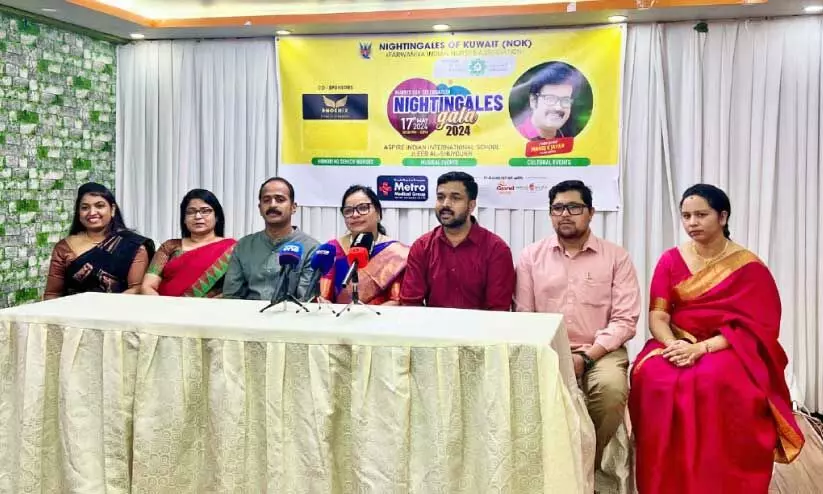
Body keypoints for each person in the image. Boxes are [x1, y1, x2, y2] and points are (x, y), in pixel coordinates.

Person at [629, 184, 804, 493]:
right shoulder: (670, 260)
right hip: (677, 341)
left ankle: (723, 480)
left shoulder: (749, 267)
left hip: (730, 345)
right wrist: (675, 345)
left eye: (701, 215)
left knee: (715, 380)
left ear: (722, 217)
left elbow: (758, 327)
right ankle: (665, 482)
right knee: (654, 376)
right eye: (686, 216)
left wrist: (702, 348)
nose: (692, 223)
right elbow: (658, 315)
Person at [515, 180, 640, 473]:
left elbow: (625, 319)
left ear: (591, 212)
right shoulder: (531, 256)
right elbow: (524, 315)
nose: (565, 214)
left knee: (610, 392)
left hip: (601, 350)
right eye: (557, 208)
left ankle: (584, 469)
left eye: (574, 207)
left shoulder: (616, 257)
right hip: (547, 347)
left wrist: (586, 357)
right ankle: (544, 470)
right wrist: (555, 353)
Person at [400, 171, 515, 310]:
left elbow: (498, 309)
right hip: (431, 324)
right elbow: (410, 304)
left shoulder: (496, 250)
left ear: (471, 206)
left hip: (481, 324)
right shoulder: (422, 247)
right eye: (440, 197)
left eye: (455, 198)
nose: (445, 204)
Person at [44, 182, 155, 299]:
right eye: (85, 208)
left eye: (99, 206)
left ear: (112, 209)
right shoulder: (64, 246)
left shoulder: (132, 245)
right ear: (78, 213)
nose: (92, 212)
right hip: (71, 309)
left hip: (117, 308)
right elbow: (52, 294)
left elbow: (136, 290)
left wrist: (103, 307)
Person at [222, 177, 319, 300]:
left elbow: (306, 300)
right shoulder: (244, 246)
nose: (272, 205)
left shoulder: (311, 248)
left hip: (291, 312)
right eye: (266, 200)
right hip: (248, 312)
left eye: (280, 200)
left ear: (293, 207)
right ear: (260, 208)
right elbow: (231, 296)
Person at [320, 185, 408, 305]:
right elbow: (324, 297)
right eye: (348, 211)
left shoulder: (397, 253)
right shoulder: (333, 249)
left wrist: (366, 315)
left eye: (363, 208)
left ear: (378, 213)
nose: (355, 215)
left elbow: (397, 301)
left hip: (383, 315)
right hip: (338, 316)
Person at [141, 189, 237, 298]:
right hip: (163, 306)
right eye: (191, 212)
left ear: (217, 217)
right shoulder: (170, 246)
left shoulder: (232, 249)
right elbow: (147, 286)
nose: (198, 216)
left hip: (210, 307)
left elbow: (236, 288)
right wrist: (163, 306)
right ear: (184, 219)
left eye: (205, 211)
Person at [516, 62, 584, 140]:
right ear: (533, 101)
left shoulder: (573, 140)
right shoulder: (514, 138)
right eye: (550, 99)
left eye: (565, 100)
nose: (558, 107)